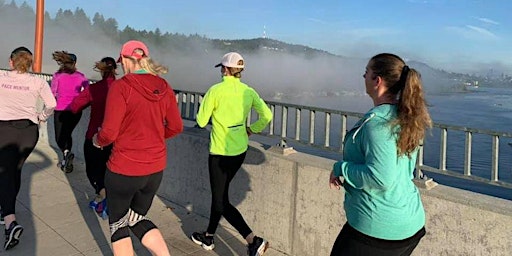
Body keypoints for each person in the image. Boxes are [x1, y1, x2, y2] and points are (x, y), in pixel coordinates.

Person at [329, 53, 432, 256]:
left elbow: (380, 178)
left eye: (366, 73)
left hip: (378, 228)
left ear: (377, 80)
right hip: (409, 222)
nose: (363, 77)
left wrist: (340, 168)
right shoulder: (405, 117)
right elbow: (405, 169)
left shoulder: (378, 124)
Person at [92, 40, 183, 256]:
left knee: (119, 225)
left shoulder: (121, 87)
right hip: (154, 171)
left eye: (121, 62)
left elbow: (109, 133)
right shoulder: (164, 86)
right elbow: (176, 127)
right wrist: (153, 139)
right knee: (136, 218)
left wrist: (97, 140)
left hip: (124, 169)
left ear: (124, 60)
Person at [190, 52, 273, 256]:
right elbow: (267, 115)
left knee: (221, 201)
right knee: (220, 195)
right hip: (239, 152)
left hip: (220, 153)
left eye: (222, 68)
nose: (221, 71)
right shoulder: (248, 91)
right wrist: (251, 129)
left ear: (225, 70)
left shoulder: (215, 91)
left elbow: (201, 122)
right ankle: (208, 236)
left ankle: (253, 240)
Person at [0, 46, 56, 250]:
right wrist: (41, 118)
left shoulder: (2, 79)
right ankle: (6, 208)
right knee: (15, 169)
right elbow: (52, 104)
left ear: (11, 61)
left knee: (4, 172)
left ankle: (10, 222)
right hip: (28, 132)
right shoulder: (38, 81)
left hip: (4, 130)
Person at [70, 57, 117, 219]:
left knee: (93, 170)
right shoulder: (122, 88)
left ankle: (103, 196)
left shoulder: (95, 89)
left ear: (102, 70)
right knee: (112, 170)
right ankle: (108, 197)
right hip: (117, 138)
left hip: (95, 136)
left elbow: (75, 106)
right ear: (116, 70)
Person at [51, 51, 89, 173]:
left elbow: (52, 93)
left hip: (60, 110)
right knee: (67, 134)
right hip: (75, 111)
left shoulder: (57, 76)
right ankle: (66, 158)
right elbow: (87, 93)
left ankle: (66, 154)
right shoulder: (81, 77)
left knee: (60, 137)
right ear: (75, 63)